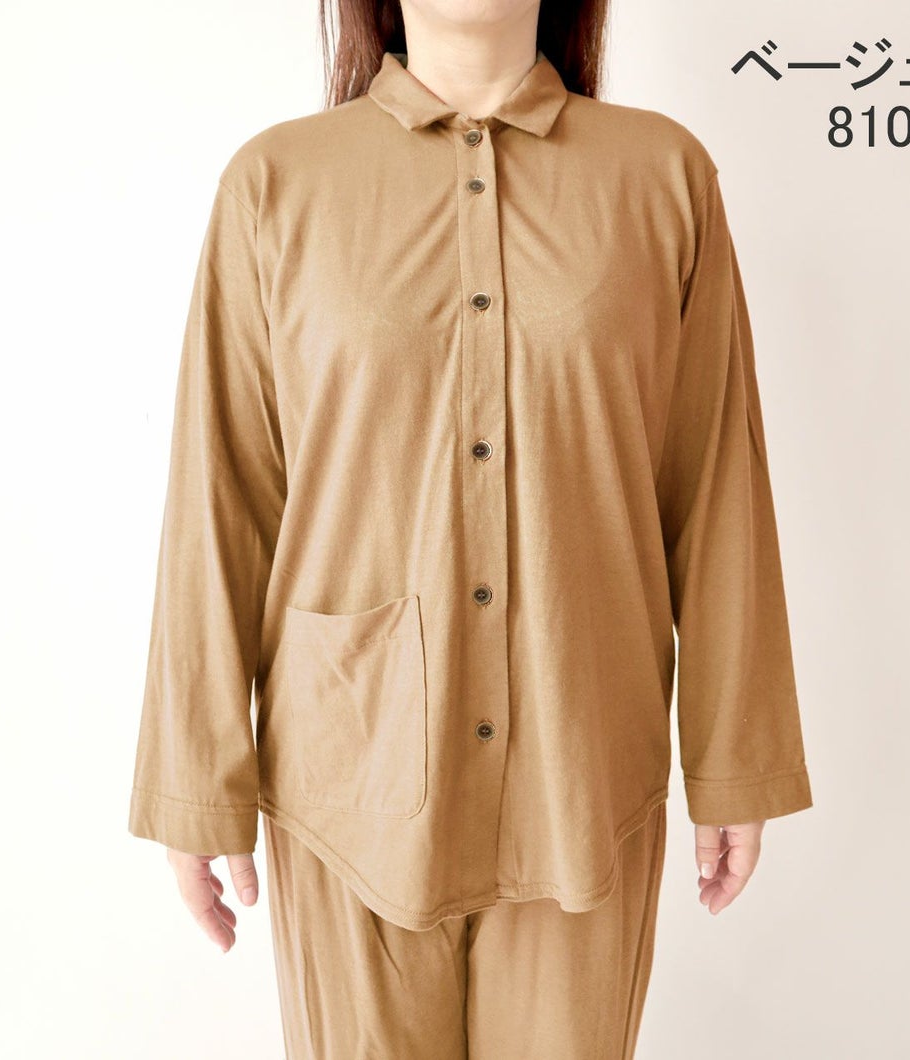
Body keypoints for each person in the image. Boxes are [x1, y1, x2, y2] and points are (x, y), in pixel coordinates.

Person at [128, 1, 814, 1055]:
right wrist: (194, 779)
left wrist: (733, 756)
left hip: (584, 771)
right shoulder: (276, 186)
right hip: (348, 781)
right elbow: (221, 494)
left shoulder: (661, 178)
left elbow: (716, 481)